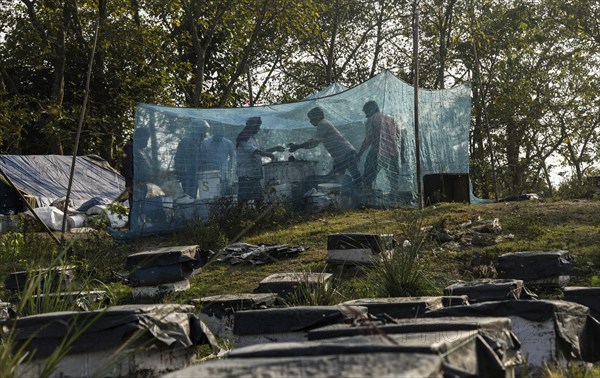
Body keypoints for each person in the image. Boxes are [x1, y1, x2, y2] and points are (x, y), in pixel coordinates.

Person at [288, 106, 361, 183]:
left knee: (354, 175)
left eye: (312, 118)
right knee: (336, 178)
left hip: (346, 154)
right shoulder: (323, 124)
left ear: (318, 116)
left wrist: (298, 146)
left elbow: (314, 143)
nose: (310, 121)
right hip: (340, 157)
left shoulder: (323, 123)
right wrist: (298, 146)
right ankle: (343, 192)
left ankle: (364, 191)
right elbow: (314, 141)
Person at [236, 116, 284, 203]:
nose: (259, 128)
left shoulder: (252, 138)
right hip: (246, 174)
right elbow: (255, 151)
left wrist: (275, 148)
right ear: (252, 126)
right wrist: (268, 155)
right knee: (244, 200)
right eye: (257, 126)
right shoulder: (244, 137)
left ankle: (256, 215)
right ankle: (238, 216)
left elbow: (261, 150)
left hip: (254, 174)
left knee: (258, 198)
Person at [357, 100, 401, 195]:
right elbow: (398, 135)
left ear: (372, 109)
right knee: (393, 179)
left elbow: (369, 139)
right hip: (393, 152)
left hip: (378, 152)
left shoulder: (371, 120)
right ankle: (395, 197)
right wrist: (402, 153)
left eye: (366, 112)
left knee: (368, 176)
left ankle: (367, 196)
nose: (366, 115)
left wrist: (360, 153)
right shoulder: (390, 119)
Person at [174, 119, 209, 197]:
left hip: (198, 175)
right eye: (203, 130)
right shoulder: (186, 141)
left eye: (205, 130)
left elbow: (204, 160)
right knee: (187, 196)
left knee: (194, 196)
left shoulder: (202, 144)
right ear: (197, 130)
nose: (205, 133)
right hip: (187, 176)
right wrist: (181, 174)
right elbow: (179, 159)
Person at [200, 124, 235, 195]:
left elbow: (233, 158)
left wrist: (230, 169)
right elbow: (201, 159)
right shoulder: (205, 143)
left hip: (224, 175)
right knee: (211, 195)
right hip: (210, 175)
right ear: (213, 131)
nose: (220, 135)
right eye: (218, 132)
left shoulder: (228, 143)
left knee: (224, 196)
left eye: (222, 132)